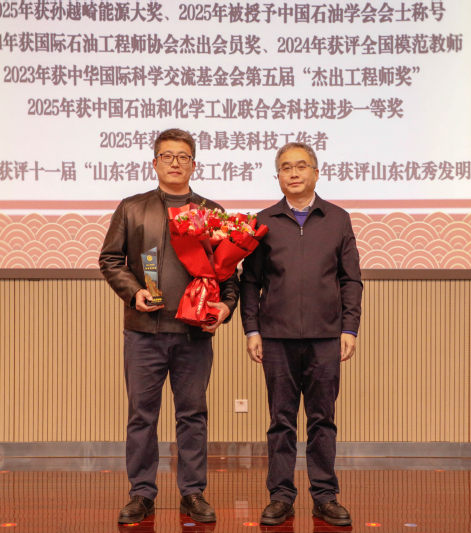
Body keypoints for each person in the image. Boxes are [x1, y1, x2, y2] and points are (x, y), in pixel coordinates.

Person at [99, 128, 239, 525]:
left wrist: (225, 308)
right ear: (154, 162)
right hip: (144, 331)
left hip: (194, 334)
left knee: (192, 415)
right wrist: (134, 293)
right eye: (167, 156)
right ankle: (141, 493)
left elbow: (228, 274)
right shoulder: (132, 208)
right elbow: (110, 260)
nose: (175, 163)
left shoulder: (212, 212)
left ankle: (193, 493)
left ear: (194, 164)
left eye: (183, 157)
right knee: (142, 415)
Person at [240, 142, 362, 527]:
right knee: (281, 420)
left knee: (322, 419)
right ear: (278, 176)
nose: (293, 173)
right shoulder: (263, 221)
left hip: (326, 336)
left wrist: (349, 327)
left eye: (301, 166)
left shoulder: (338, 219)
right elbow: (250, 281)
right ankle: (280, 496)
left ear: (315, 172)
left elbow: (350, 279)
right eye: (285, 167)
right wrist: (252, 329)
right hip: (276, 337)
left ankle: (325, 496)